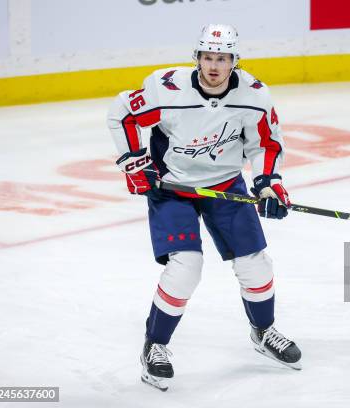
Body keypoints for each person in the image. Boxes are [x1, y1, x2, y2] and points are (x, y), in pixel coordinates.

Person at [107, 23, 302, 391]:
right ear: (197, 58)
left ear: (234, 62)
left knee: (255, 263)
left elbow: (265, 144)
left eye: (223, 58)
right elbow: (123, 114)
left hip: (226, 184)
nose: (214, 66)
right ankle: (156, 346)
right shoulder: (167, 88)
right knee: (186, 267)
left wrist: (268, 184)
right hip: (173, 187)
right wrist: (134, 163)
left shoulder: (254, 96)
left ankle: (263, 332)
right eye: (208, 57)